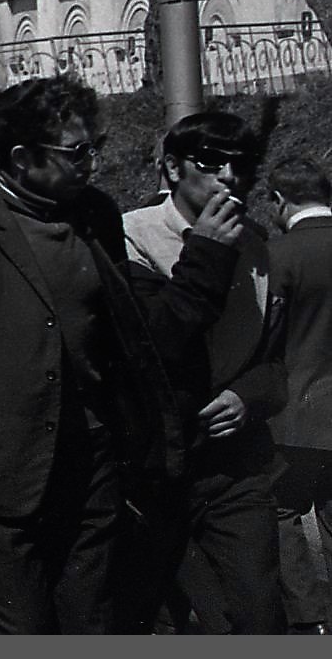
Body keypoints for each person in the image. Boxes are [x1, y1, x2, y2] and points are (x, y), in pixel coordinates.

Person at [0, 75, 244, 634]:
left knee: (90, 621)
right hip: (5, 470)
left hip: (94, 466)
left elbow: (137, 335)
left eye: (94, 148)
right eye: (78, 152)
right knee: (19, 627)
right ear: (22, 157)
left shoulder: (95, 214)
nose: (93, 164)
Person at [121, 112, 286, 634]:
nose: (229, 177)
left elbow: (277, 360)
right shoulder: (130, 238)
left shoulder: (258, 245)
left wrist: (249, 395)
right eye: (210, 163)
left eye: (242, 165)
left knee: (257, 613)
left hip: (233, 466)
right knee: (154, 613)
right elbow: (154, 346)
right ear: (172, 168)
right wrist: (208, 250)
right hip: (152, 465)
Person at [266, 155, 332, 634]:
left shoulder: (278, 256)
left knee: (282, 512)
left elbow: (266, 335)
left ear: (278, 200)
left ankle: (310, 619)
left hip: (294, 414)